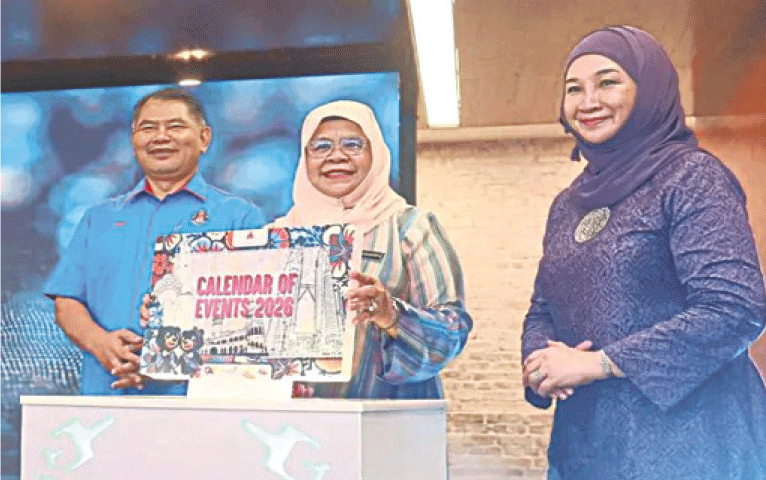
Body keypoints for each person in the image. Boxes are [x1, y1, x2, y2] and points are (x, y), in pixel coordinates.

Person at [520, 26, 766, 479]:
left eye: (608, 82)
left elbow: (735, 309)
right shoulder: (568, 205)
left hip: (692, 442)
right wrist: (540, 362)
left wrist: (599, 364)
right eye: (574, 88)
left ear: (648, 91)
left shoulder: (691, 179)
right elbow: (542, 308)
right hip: (589, 444)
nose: (588, 101)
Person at [43, 88, 266, 395]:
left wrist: (160, 361)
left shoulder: (240, 217)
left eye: (175, 126)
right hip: (104, 398)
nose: (161, 137)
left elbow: (256, 315)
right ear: (134, 141)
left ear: (204, 138)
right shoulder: (98, 218)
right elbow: (66, 303)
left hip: (202, 402)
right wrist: (101, 343)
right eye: (148, 128)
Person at [280, 100, 472, 398]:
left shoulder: (410, 227)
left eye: (353, 144)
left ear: (377, 154)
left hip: (386, 421)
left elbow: (453, 330)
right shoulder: (277, 236)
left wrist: (391, 315)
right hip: (293, 426)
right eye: (321, 147)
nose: (337, 156)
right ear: (304, 158)